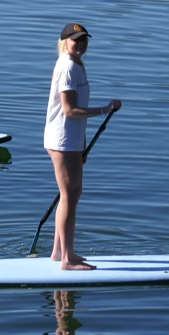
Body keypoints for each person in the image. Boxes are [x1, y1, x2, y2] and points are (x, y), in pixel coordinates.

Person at [44, 23, 121, 270]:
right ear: (65, 42)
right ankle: (67, 260)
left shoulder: (77, 66)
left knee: (73, 195)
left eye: (84, 39)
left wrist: (82, 143)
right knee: (69, 196)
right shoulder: (67, 67)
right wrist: (104, 109)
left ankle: (59, 252)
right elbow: (69, 110)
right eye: (75, 39)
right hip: (62, 140)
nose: (81, 43)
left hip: (72, 140)